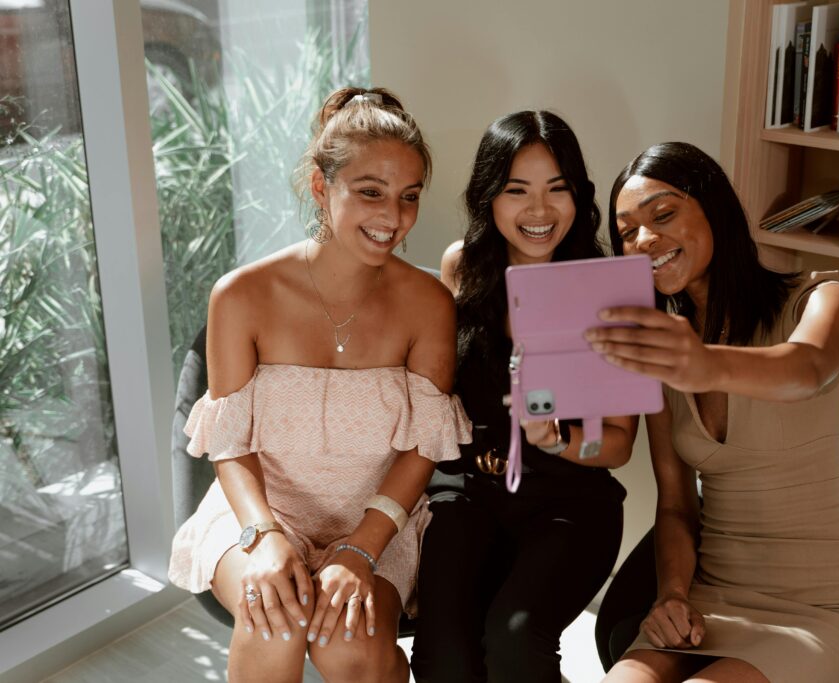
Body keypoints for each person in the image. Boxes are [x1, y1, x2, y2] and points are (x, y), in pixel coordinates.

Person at [167, 87, 470, 683]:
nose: (393, 218)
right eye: (370, 192)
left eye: (408, 198)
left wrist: (361, 548)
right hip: (258, 510)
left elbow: (422, 449)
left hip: (378, 516)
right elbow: (229, 445)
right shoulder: (240, 295)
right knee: (272, 621)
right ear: (319, 187)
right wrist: (262, 535)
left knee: (348, 645)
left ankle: (384, 663)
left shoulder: (430, 304)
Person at [588, 142, 839, 683]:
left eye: (663, 215)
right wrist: (671, 597)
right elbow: (677, 505)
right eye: (627, 231)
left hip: (827, 612)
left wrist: (705, 365)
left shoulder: (820, 300)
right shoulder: (668, 353)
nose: (644, 240)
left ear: (716, 210)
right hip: (711, 604)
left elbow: (805, 368)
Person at [410, 110, 639, 683]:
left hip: (569, 502)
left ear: (577, 195)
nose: (539, 212)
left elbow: (616, 448)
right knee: (445, 659)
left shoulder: (611, 288)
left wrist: (558, 440)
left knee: (513, 642)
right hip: (467, 493)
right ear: (490, 196)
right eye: (518, 191)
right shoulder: (460, 266)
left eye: (557, 190)